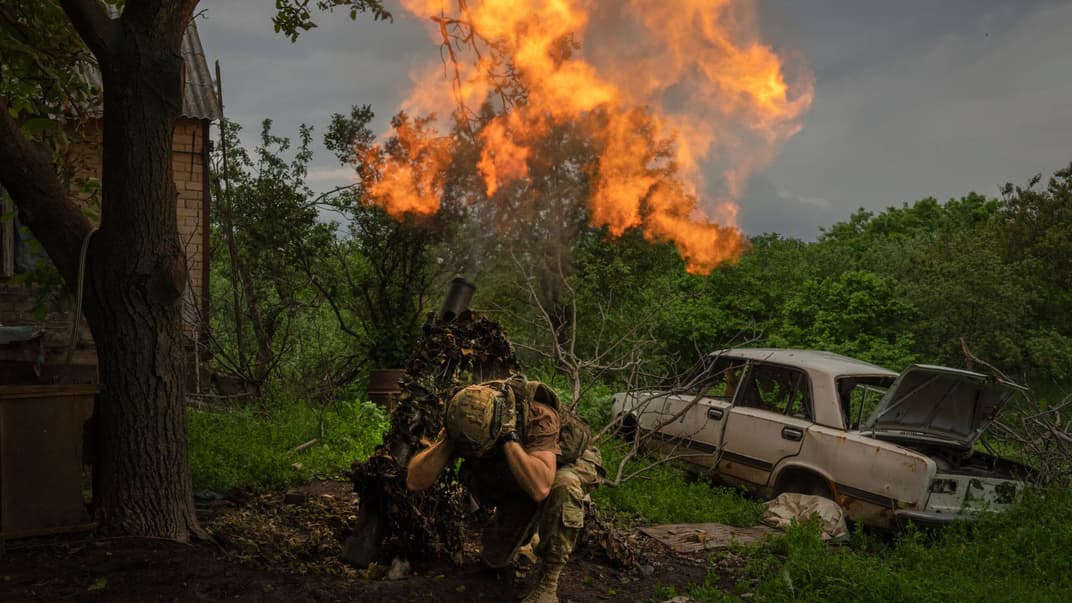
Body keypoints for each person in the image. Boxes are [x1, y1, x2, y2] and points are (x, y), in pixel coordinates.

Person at [406, 377, 602, 603]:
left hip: (564, 465)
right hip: (525, 472)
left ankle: (548, 584)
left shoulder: (538, 414)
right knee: (495, 560)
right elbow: (414, 482)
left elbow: (540, 487)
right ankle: (532, 536)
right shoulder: (465, 415)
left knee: (563, 485)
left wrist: (509, 436)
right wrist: (447, 443)